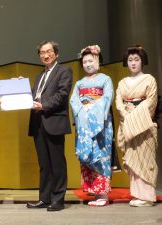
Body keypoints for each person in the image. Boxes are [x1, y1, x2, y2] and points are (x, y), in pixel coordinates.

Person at [26, 40, 72, 211]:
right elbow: (31, 96)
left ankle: (58, 199)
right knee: (44, 164)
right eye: (42, 53)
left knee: (57, 163)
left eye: (49, 51)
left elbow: (62, 94)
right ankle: (44, 198)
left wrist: (43, 105)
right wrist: (19, 85)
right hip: (38, 123)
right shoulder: (40, 76)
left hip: (54, 121)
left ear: (56, 54)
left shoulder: (64, 70)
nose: (45, 55)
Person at [70, 45, 114, 206]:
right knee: (86, 155)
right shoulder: (80, 83)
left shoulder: (105, 79)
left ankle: (103, 194)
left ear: (98, 61)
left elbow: (107, 97)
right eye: (85, 61)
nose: (88, 64)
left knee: (101, 155)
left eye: (91, 60)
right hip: (84, 122)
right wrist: (82, 111)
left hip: (99, 123)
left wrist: (92, 108)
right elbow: (74, 101)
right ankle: (94, 192)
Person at [116, 45, 158, 207]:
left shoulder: (149, 79)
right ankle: (138, 194)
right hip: (128, 123)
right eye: (130, 60)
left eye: (136, 60)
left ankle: (147, 197)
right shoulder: (122, 82)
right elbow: (119, 101)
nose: (133, 63)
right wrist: (126, 115)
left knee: (145, 159)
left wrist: (133, 115)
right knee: (133, 158)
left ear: (142, 61)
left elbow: (151, 101)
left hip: (143, 125)